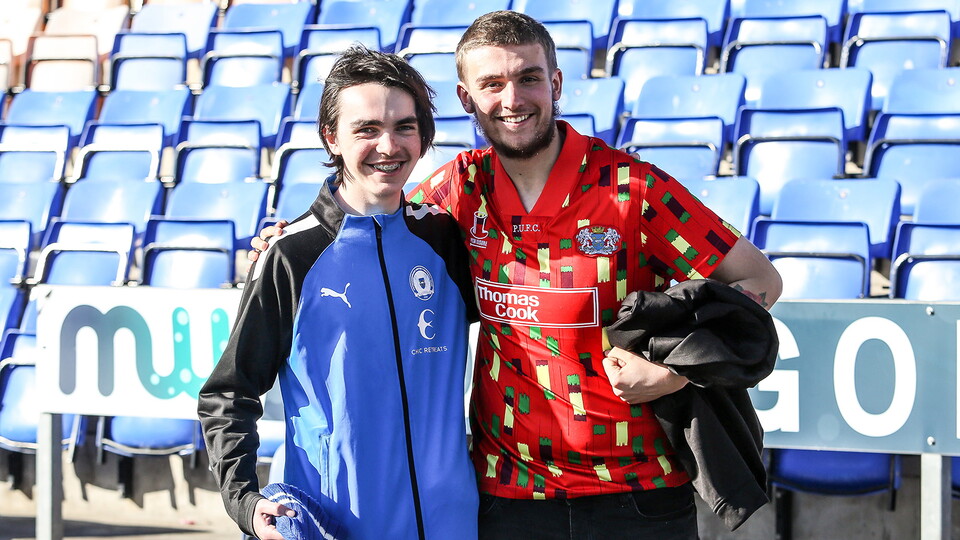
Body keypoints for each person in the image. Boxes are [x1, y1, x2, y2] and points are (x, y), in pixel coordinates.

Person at [253, 11, 783, 539]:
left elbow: (760, 281)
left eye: (528, 78)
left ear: (554, 83)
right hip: (509, 498)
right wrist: (292, 234)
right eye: (492, 84)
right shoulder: (457, 190)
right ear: (467, 99)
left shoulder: (633, 189)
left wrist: (677, 372)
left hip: (637, 495)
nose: (512, 100)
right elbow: (372, 219)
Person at [198, 46, 480, 540]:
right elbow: (229, 392)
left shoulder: (444, 240)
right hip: (338, 525)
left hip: (452, 521)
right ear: (331, 136)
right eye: (367, 129)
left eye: (404, 127)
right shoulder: (291, 255)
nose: (388, 146)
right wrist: (245, 500)